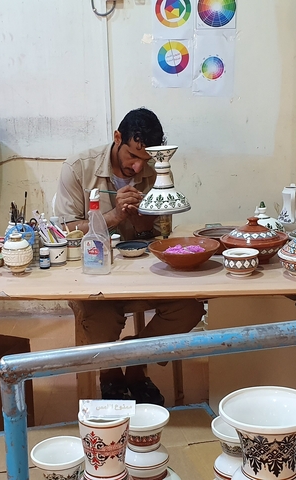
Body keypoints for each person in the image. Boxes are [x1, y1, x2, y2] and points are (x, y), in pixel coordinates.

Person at [54, 108, 205, 405]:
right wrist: (110, 217)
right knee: (100, 320)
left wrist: (141, 218)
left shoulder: (156, 171)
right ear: (117, 138)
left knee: (189, 309)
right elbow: (64, 229)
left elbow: (160, 231)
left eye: (145, 160)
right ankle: (110, 375)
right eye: (132, 157)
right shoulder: (78, 168)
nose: (137, 168)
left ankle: (136, 366)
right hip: (95, 273)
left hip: (144, 271)